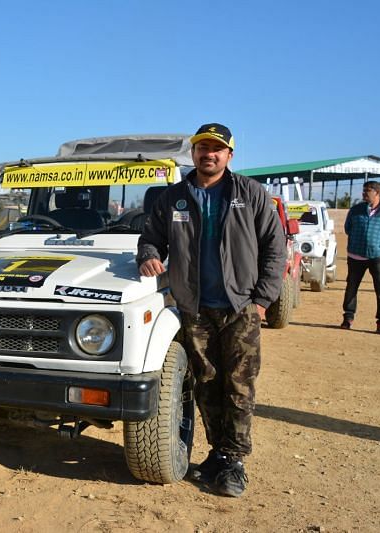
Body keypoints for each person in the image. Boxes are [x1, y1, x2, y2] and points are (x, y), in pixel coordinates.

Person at [137, 123, 285, 497]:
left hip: (240, 307)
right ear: (194, 153)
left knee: (238, 385)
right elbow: (150, 237)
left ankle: (234, 461)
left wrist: (263, 300)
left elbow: (274, 245)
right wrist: (150, 256)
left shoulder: (249, 193)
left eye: (217, 149)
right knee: (205, 383)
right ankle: (218, 453)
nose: (210, 154)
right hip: (195, 308)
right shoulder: (174, 197)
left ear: (229, 156)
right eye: (203, 147)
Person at [340, 181, 380, 334]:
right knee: (351, 288)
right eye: (364, 191)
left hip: (378, 256)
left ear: (377, 193)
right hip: (355, 256)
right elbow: (347, 228)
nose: (364, 194)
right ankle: (348, 318)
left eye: (367, 191)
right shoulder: (355, 210)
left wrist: (377, 245)